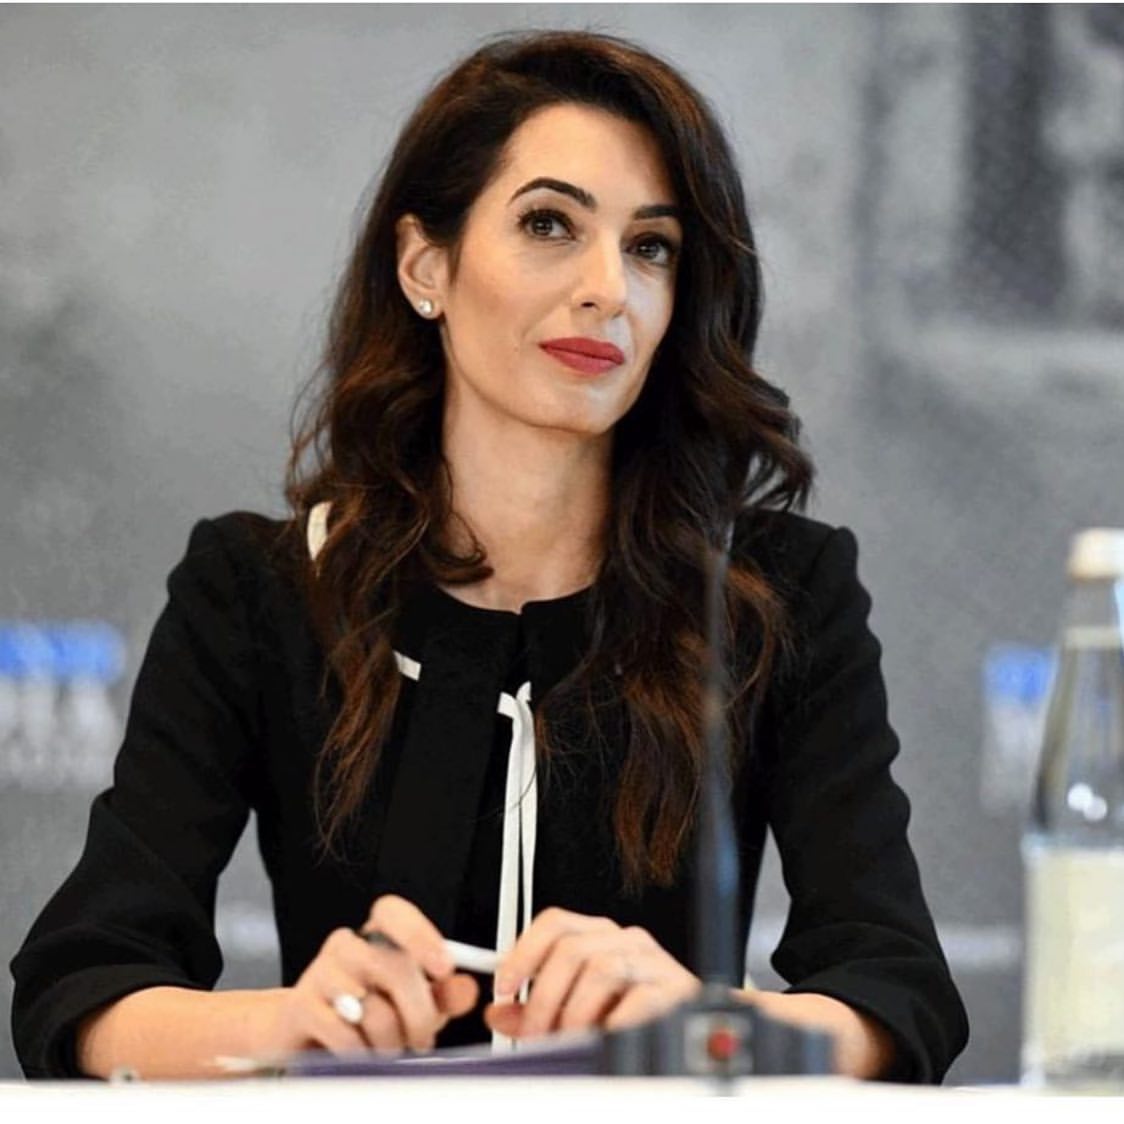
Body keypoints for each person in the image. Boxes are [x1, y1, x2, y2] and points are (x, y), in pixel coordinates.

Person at [9, 29, 968, 1083]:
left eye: (650, 247)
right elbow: (84, 993)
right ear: (426, 264)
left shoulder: (772, 589)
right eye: (549, 224)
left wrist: (704, 1026)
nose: (607, 287)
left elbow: (896, 1004)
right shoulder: (260, 588)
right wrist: (292, 1027)